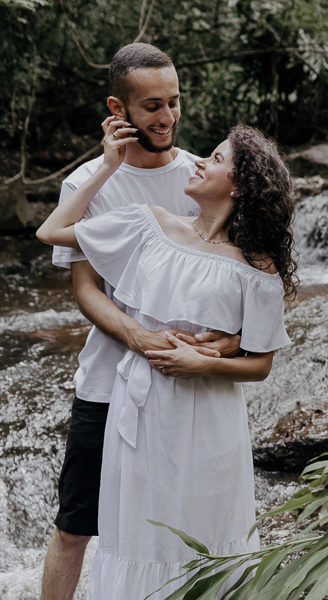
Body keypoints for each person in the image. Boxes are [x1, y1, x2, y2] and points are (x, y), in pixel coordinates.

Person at [37, 118, 296, 598]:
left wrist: (206, 364)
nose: (199, 160)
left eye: (216, 159)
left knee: (205, 534)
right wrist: (109, 164)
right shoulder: (150, 223)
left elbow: (260, 364)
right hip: (139, 413)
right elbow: (52, 230)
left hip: (211, 419)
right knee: (138, 536)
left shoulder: (256, 268)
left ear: (239, 187)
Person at [41, 43, 241, 600]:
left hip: (182, 389)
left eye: (174, 101)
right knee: (76, 528)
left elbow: (240, 278)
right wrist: (141, 338)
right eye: (152, 106)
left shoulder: (203, 177)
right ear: (118, 108)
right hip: (108, 383)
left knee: (173, 531)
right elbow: (86, 291)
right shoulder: (86, 185)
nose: (168, 117)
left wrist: (229, 342)